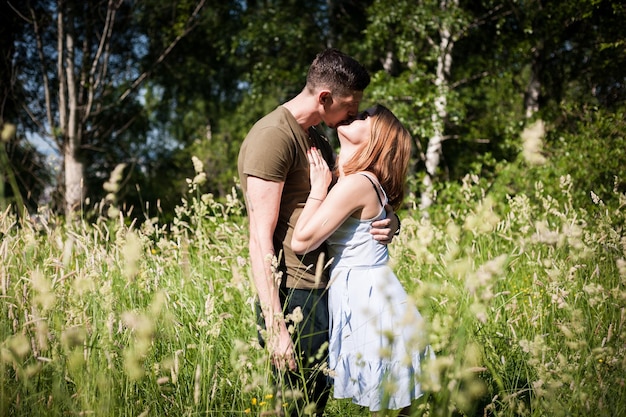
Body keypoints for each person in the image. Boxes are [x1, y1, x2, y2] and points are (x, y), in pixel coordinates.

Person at [237, 49, 399, 416]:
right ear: (325, 98)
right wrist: (278, 327)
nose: (354, 113)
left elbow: (353, 198)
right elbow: (258, 239)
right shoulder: (272, 137)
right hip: (295, 293)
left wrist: (390, 220)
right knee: (296, 406)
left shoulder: (317, 138)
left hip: (326, 288)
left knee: (312, 404)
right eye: (350, 105)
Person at [291, 104, 431, 416]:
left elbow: (301, 242)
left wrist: (317, 188)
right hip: (374, 296)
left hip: (371, 303)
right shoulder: (356, 179)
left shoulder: (357, 183)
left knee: (388, 402)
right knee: (393, 403)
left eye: (365, 116)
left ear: (377, 139)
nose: (356, 115)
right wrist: (393, 220)